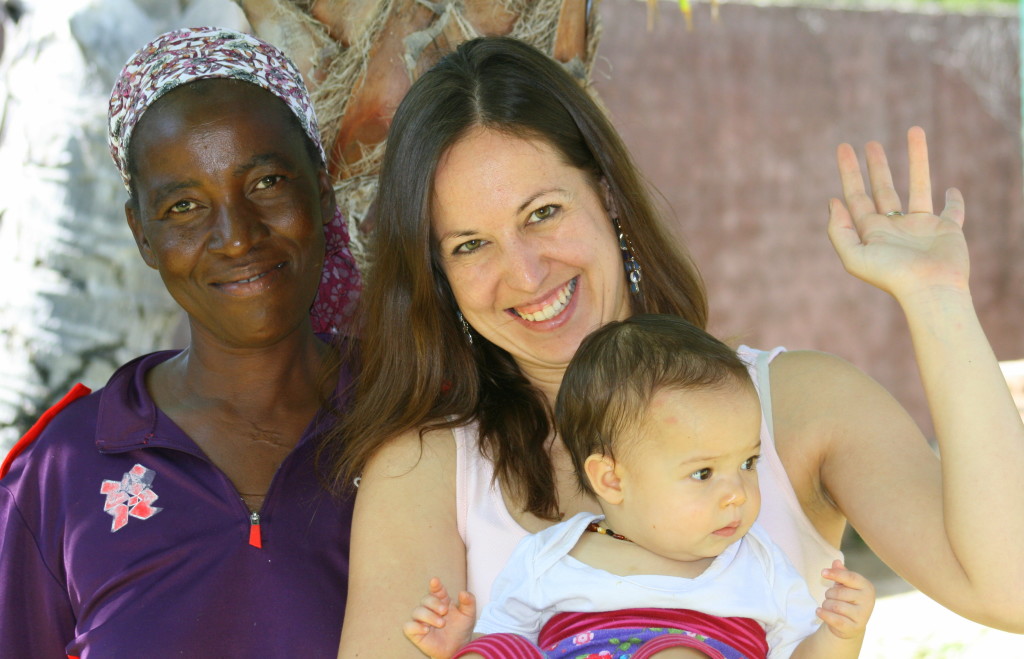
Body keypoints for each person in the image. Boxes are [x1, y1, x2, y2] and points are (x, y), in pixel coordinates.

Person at [333, 36, 1024, 658]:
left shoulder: (797, 404)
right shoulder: (429, 469)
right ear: (440, 275)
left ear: (606, 197)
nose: (525, 272)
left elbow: (1010, 590)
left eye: (543, 212)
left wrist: (937, 296)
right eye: (471, 244)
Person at [0, 27, 360, 657]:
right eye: (184, 207)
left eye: (268, 182)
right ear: (142, 234)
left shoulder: (412, 412)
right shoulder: (65, 467)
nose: (237, 237)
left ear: (321, 184)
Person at [405, 315, 875, 659]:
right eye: (703, 473)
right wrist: (464, 648)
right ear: (611, 479)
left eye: (748, 462)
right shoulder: (548, 558)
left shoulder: (760, 567)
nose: (738, 492)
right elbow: (507, 636)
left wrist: (839, 635)